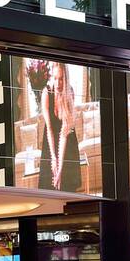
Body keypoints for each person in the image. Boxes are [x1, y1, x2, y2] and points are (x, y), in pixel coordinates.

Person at [38, 61, 82, 193]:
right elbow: (50, 128)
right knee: (48, 186)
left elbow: (64, 134)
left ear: (66, 78)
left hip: (67, 140)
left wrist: (60, 167)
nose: (58, 83)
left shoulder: (70, 93)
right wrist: (53, 158)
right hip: (50, 140)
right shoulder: (46, 93)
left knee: (66, 185)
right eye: (55, 78)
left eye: (61, 79)